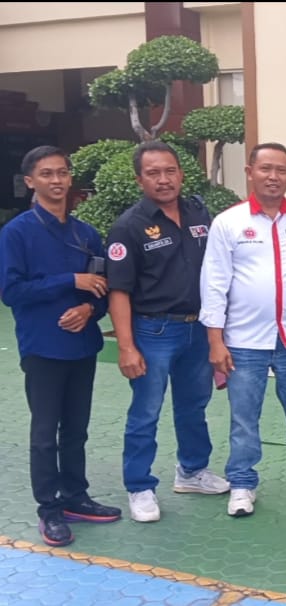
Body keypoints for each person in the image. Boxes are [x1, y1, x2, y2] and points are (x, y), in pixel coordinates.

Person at [200, 142, 286, 517]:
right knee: (244, 420)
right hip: (243, 341)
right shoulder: (228, 223)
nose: (273, 176)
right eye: (265, 169)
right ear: (250, 172)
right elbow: (214, 283)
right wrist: (215, 340)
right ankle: (242, 483)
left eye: (281, 170)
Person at [0, 146, 122, 547]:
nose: (57, 180)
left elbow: (103, 289)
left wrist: (89, 309)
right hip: (43, 347)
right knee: (44, 433)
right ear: (30, 182)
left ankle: (75, 497)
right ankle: (49, 509)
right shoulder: (16, 233)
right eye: (47, 174)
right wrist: (69, 281)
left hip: (82, 346)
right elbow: (11, 291)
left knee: (76, 429)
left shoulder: (86, 233)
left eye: (63, 173)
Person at [106, 141, 229, 523]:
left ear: (181, 174)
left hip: (198, 328)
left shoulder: (198, 212)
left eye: (170, 171)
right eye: (153, 173)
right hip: (154, 331)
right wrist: (126, 347)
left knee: (194, 405)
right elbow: (119, 291)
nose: (163, 179)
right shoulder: (128, 227)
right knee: (146, 411)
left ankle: (192, 471)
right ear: (139, 179)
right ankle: (139, 486)